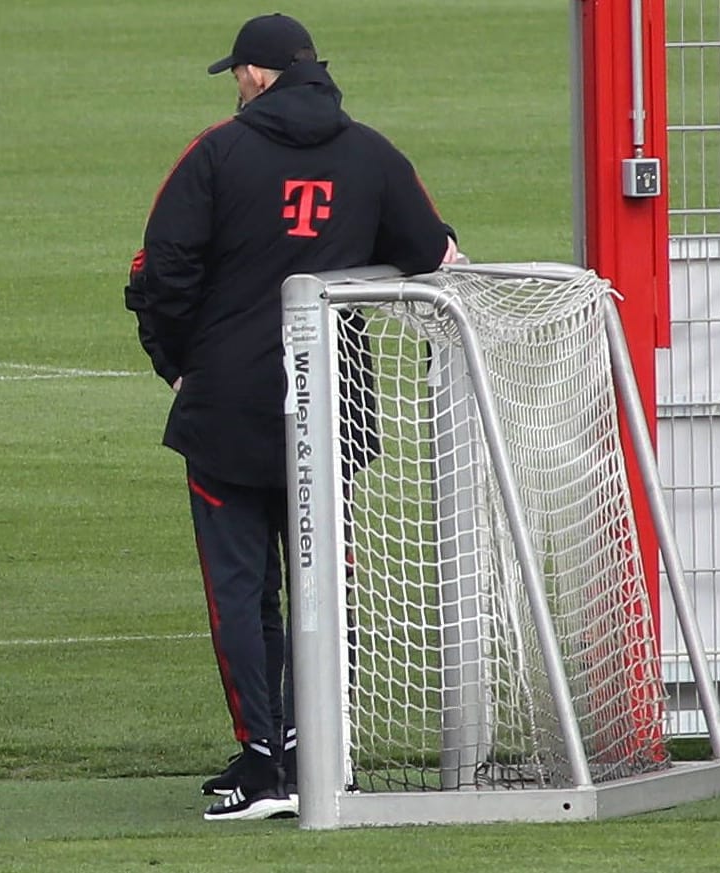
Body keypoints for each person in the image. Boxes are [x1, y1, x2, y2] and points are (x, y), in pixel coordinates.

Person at [124, 13, 459, 821]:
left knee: (240, 587)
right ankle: (316, 747)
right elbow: (437, 256)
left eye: (237, 72)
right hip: (333, 402)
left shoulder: (216, 151)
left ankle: (263, 760)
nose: (235, 84)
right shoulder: (372, 152)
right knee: (324, 580)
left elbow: (157, 272)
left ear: (259, 74)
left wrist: (176, 363)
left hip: (229, 403)